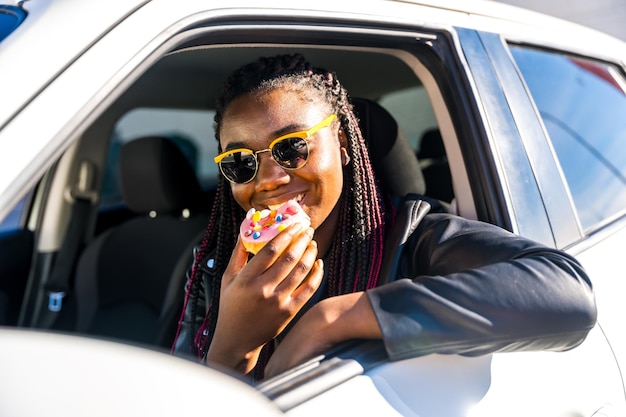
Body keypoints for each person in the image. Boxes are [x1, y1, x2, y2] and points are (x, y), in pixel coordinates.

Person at [171, 53, 596, 380]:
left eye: (293, 147)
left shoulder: (414, 240)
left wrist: (330, 320)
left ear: (340, 143)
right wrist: (231, 347)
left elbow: (570, 295)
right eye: (241, 162)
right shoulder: (217, 265)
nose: (269, 179)